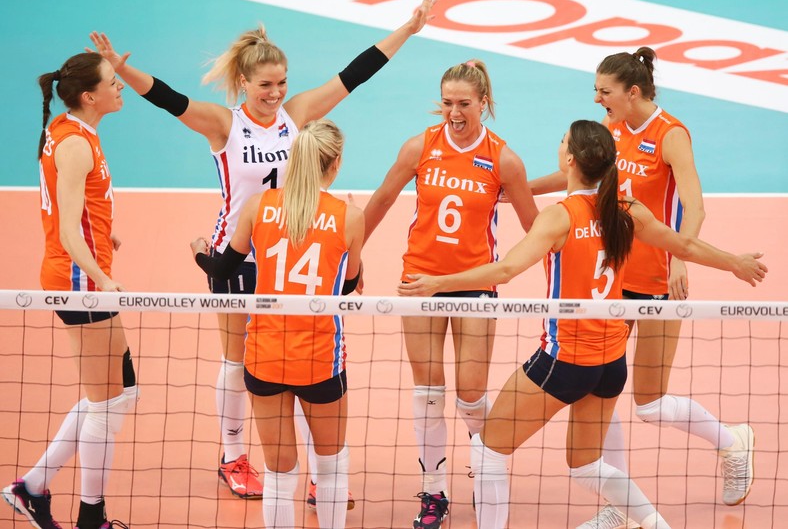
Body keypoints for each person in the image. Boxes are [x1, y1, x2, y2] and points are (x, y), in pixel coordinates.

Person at [89, 0, 435, 503]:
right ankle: (232, 457)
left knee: (306, 361)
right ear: (245, 83)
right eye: (266, 84)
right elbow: (167, 98)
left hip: (291, 257)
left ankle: (321, 472)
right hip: (236, 259)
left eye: (282, 83)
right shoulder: (224, 124)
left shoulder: (298, 114)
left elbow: (355, 74)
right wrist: (122, 69)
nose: (276, 93)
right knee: (239, 362)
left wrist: (407, 29)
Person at [399, 119, 767, 529]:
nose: (558, 147)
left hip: (565, 360)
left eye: (562, 142)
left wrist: (437, 283)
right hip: (611, 363)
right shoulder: (628, 210)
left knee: (488, 451)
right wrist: (735, 263)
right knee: (586, 465)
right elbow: (684, 245)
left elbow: (504, 270)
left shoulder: (560, 217)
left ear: (571, 160)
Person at [528, 47, 756, 527]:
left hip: (655, 284)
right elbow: (574, 172)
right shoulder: (610, 128)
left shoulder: (670, 134)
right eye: (596, 91)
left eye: (604, 91)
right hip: (611, 283)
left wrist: (679, 258)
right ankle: (622, 508)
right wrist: (518, 188)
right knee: (602, 392)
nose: (597, 99)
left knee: (650, 404)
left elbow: (694, 204)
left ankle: (732, 441)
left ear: (632, 92)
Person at [363, 59, 539, 528]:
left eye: (464, 104)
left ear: (484, 103)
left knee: (471, 396)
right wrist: (351, 255)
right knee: (428, 394)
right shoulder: (420, 146)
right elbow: (381, 200)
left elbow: (538, 229)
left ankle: (486, 468)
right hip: (419, 282)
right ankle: (434, 492)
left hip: (475, 286)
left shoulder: (503, 159)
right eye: (447, 103)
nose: (455, 113)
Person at [191, 119, 361, 528]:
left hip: (264, 355)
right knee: (331, 468)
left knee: (279, 474)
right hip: (319, 359)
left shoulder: (258, 206)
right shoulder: (349, 216)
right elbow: (347, 285)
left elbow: (222, 271)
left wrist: (198, 252)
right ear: (336, 163)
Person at [1, 53, 136, 529]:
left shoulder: (68, 129)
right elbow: (66, 231)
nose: (120, 87)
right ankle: (90, 517)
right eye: (113, 82)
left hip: (82, 274)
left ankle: (32, 486)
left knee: (122, 393)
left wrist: (104, 233)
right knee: (108, 402)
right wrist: (102, 278)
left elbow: (73, 209)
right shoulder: (75, 144)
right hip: (80, 282)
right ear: (89, 96)